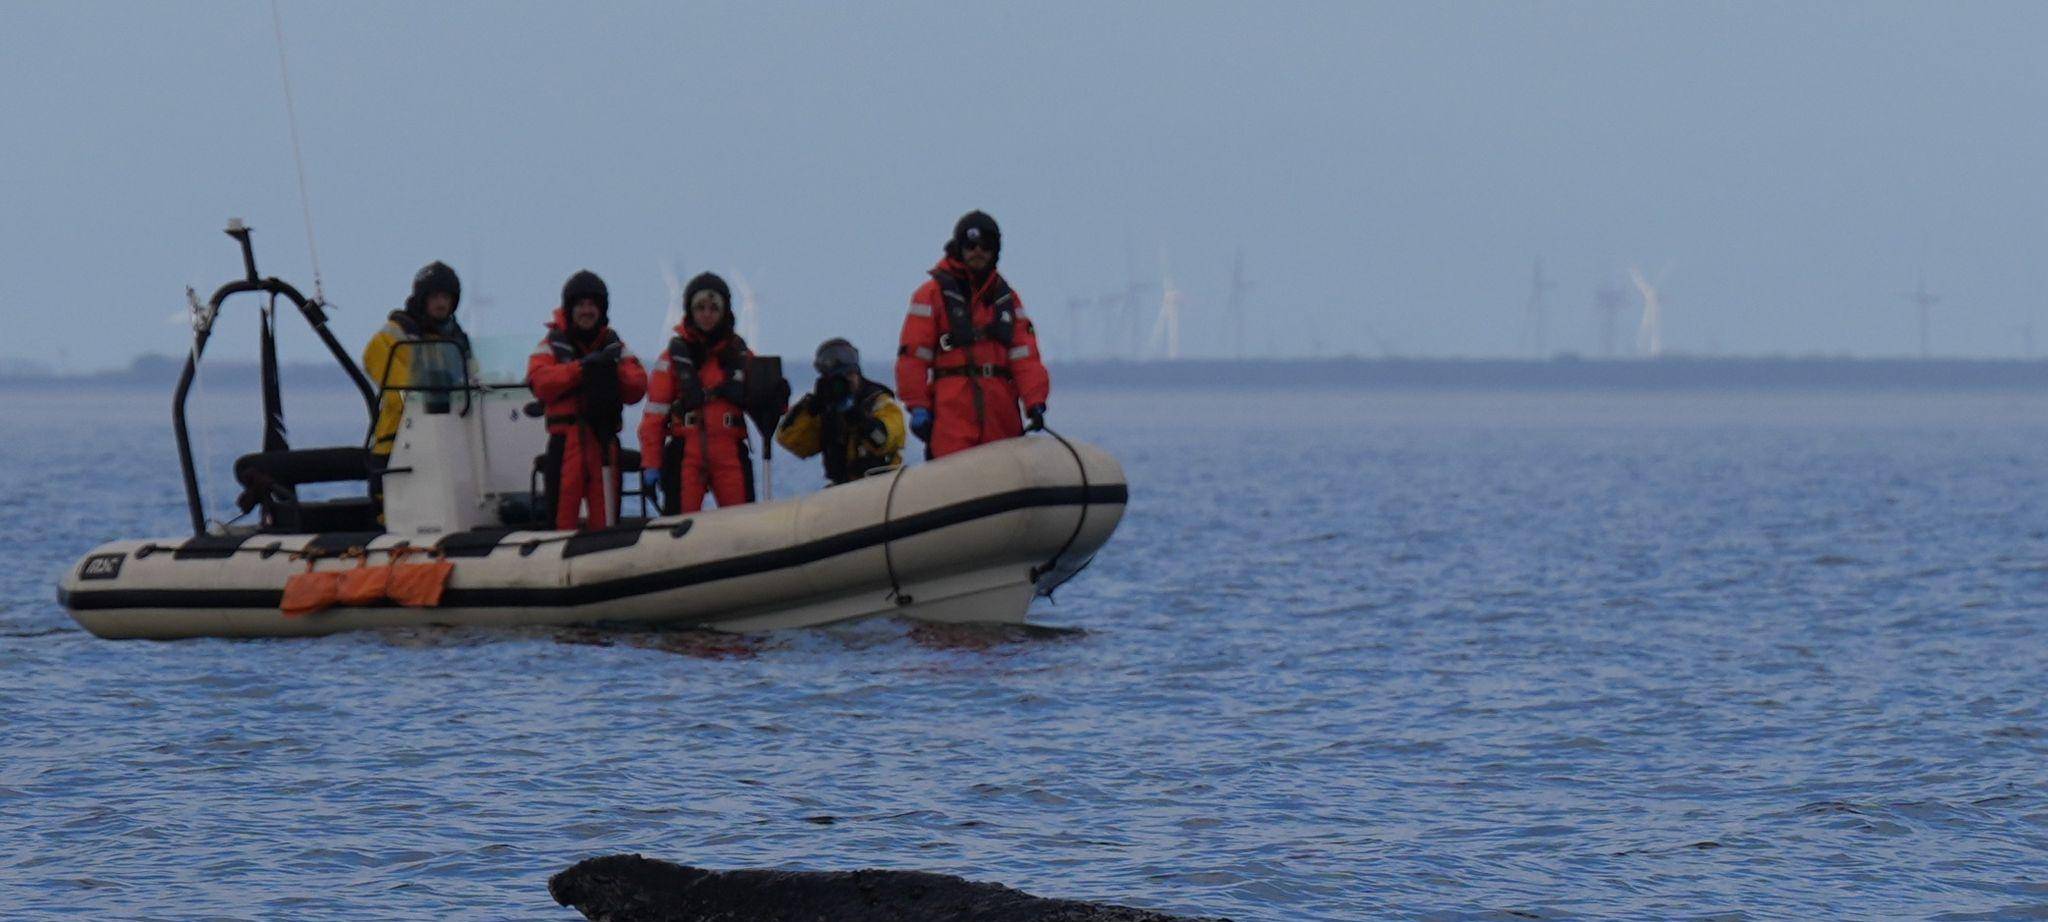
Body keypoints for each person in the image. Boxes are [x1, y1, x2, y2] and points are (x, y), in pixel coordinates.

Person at [895, 210, 1050, 459]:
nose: (978, 251)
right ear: (959, 247)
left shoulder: (1007, 299)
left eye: (985, 246)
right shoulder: (931, 295)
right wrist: (918, 407)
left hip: (1000, 416)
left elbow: (1026, 358)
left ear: (996, 250)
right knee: (952, 474)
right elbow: (912, 358)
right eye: (971, 245)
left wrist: (1035, 402)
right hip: (952, 415)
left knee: (1003, 470)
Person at [528, 270, 647, 530]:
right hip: (565, 442)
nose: (586, 311)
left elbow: (637, 387)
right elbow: (540, 382)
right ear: (569, 308)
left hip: (603, 441)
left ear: (601, 310)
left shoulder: (615, 347)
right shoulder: (549, 346)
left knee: (606, 522)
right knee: (562, 522)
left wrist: (608, 370)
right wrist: (582, 369)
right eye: (580, 304)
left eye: (592, 305)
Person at [636, 272, 759, 514]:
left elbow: (768, 405)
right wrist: (651, 462)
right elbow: (654, 417)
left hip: (729, 451)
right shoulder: (671, 359)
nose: (707, 314)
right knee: (680, 524)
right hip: (686, 452)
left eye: (714, 308)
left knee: (742, 524)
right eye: (700, 308)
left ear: (724, 312)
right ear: (690, 311)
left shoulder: (742, 357)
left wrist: (777, 393)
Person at [362, 261, 472, 461]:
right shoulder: (394, 335)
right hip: (398, 445)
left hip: (448, 444)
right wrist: (425, 395)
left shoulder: (457, 341)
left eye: (446, 297)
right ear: (423, 299)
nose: (441, 303)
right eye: (435, 297)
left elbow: (472, 380)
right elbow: (400, 393)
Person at [776, 338, 906, 485]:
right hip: (842, 489)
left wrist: (860, 420)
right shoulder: (826, 409)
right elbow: (790, 441)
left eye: (850, 376)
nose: (846, 383)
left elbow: (885, 440)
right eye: (840, 381)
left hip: (880, 485)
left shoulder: (878, 402)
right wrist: (810, 408)